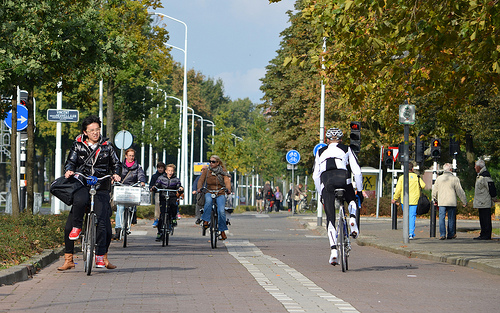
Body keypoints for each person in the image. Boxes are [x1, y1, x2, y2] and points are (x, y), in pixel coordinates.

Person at [58, 115, 121, 271]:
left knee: (104, 223)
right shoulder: (78, 145)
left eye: (97, 129)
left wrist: (116, 173)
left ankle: (101, 256)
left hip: (102, 186)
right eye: (92, 130)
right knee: (76, 209)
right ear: (85, 132)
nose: (95, 133)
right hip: (82, 183)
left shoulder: (107, 145)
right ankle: (70, 255)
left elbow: (116, 163)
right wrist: (69, 170)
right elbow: (71, 161)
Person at [313, 127, 363, 265]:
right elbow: (357, 171)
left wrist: (321, 193)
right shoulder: (346, 149)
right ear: (341, 139)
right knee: (352, 199)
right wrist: (359, 190)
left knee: (330, 218)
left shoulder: (320, 151)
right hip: (342, 177)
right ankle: (352, 219)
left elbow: (315, 175)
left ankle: (334, 251)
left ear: (327, 140)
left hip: (327, 181)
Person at [114, 148, 146, 240]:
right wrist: (114, 178)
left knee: (132, 205)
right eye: (129, 155)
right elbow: (116, 173)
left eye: (133, 156)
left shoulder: (138, 167)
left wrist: (142, 181)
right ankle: (118, 229)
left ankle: (133, 215)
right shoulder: (120, 166)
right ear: (126, 156)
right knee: (120, 207)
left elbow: (141, 175)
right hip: (122, 188)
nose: (131, 157)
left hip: (132, 187)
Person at [198, 155, 232, 240]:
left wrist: (228, 189)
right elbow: (201, 180)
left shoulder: (223, 171)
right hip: (209, 191)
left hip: (220, 192)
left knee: (221, 211)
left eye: (213, 162)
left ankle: (222, 231)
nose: (211, 163)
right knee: (208, 201)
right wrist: (199, 188)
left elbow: (227, 181)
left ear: (218, 163)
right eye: (210, 161)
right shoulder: (207, 171)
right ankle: (206, 220)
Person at [432, 163, 467, 240]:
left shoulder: (439, 178)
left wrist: (434, 199)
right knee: (451, 218)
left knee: (442, 217)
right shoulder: (455, 179)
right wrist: (464, 201)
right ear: (450, 170)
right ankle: (450, 234)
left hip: (442, 201)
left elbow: (434, 190)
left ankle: (442, 234)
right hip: (451, 201)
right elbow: (460, 191)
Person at [391, 162, 425, 240]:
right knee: (412, 216)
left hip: (405, 200)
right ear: (412, 169)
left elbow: (398, 189)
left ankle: (406, 232)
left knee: (406, 216)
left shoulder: (402, 177)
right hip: (415, 200)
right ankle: (411, 233)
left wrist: (395, 198)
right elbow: (423, 185)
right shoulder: (417, 177)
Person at [154, 164, 184, 241]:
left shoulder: (176, 179)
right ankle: (160, 232)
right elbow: (157, 184)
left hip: (172, 196)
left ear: (173, 172)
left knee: (174, 206)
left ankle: (173, 217)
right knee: (162, 215)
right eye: (169, 170)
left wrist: (180, 188)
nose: (170, 172)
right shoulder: (161, 178)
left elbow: (179, 186)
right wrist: (155, 187)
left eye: (172, 171)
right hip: (163, 196)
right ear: (166, 171)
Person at [473, 159, 495, 240]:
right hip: (481, 201)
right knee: (482, 218)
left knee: (486, 219)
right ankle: (483, 234)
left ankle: (486, 234)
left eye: (475, 166)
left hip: (484, 201)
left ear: (479, 167)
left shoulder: (485, 176)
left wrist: (493, 197)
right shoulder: (480, 175)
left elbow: (491, 187)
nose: (474, 167)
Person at [150, 162, 166, 228]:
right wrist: (151, 188)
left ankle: (169, 219)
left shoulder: (166, 176)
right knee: (157, 204)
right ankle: (156, 219)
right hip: (158, 193)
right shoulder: (154, 176)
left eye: (161, 168)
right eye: (159, 168)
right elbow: (151, 184)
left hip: (165, 192)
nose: (160, 169)